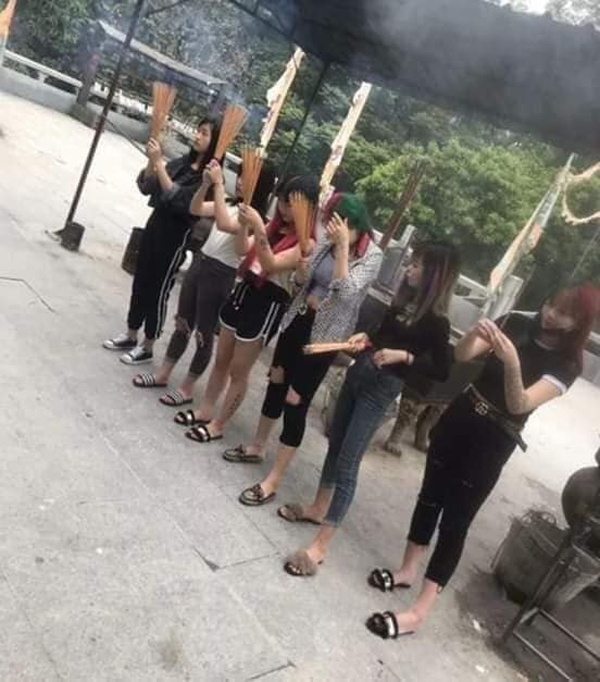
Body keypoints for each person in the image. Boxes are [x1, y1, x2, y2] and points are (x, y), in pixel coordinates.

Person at [366, 283, 600, 641]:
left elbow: (520, 403)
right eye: (551, 303)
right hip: (460, 416)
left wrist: (512, 362)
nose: (551, 314)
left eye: (564, 314)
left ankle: (419, 612)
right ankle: (407, 570)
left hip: (494, 439)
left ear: (578, 325)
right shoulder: (516, 322)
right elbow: (462, 355)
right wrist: (475, 333)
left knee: (456, 522)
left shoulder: (567, 366)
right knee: (428, 498)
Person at [282, 240, 461, 576]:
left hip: (381, 390)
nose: (409, 268)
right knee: (335, 446)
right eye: (411, 262)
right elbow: (379, 336)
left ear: (434, 275)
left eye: (417, 265)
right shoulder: (403, 301)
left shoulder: (438, 322)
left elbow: (442, 369)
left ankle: (321, 545)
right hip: (358, 375)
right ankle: (318, 508)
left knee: (348, 463)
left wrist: (404, 356)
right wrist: (364, 338)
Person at [230, 194, 383, 506]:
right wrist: (300, 274)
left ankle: (274, 479)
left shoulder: (372, 255)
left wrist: (343, 248)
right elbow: (304, 280)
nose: (327, 227)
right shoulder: (327, 240)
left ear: (348, 223)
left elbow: (346, 292)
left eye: (332, 221)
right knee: (276, 382)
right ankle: (258, 446)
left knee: (295, 400)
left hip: (324, 338)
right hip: (297, 319)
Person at [180, 175, 320, 444]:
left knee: (239, 370)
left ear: (308, 210)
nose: (284, 209)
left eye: (291, 205)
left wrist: (257, 226)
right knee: (222, 359)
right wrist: (246, 225)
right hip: (244, 290)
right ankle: (206, 410)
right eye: (282, 202)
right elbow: (242, 249)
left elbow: (270, 265)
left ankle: (219, 424)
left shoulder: (307, 243)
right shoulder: (272, 226)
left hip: (267, 302)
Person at [130, 158, 277, 405]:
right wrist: (206, 185)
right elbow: (195, 208)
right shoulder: (228, 203)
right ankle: (164, 373)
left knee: (203, 333)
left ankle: (187, 387)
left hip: (221, 274)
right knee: (183, 322)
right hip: (201, 262)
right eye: (240, 176)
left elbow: (226, 225)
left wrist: (218, 186)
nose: (240, 181)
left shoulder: (255, 219)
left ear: (260, 185)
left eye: (248, 178)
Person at [103, 117, 220, 365]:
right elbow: (148, 186)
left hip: (175, 238)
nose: (197, 136)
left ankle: (148, 345)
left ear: (215, 142)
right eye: (198, 131)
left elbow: (180, 200)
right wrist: (151, 161)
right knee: (141, 281)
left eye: (204, 133)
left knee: (158, 290)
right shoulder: (182, 163)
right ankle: (131, 333)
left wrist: (158, 162)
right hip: (154, 227)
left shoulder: (208, 179)